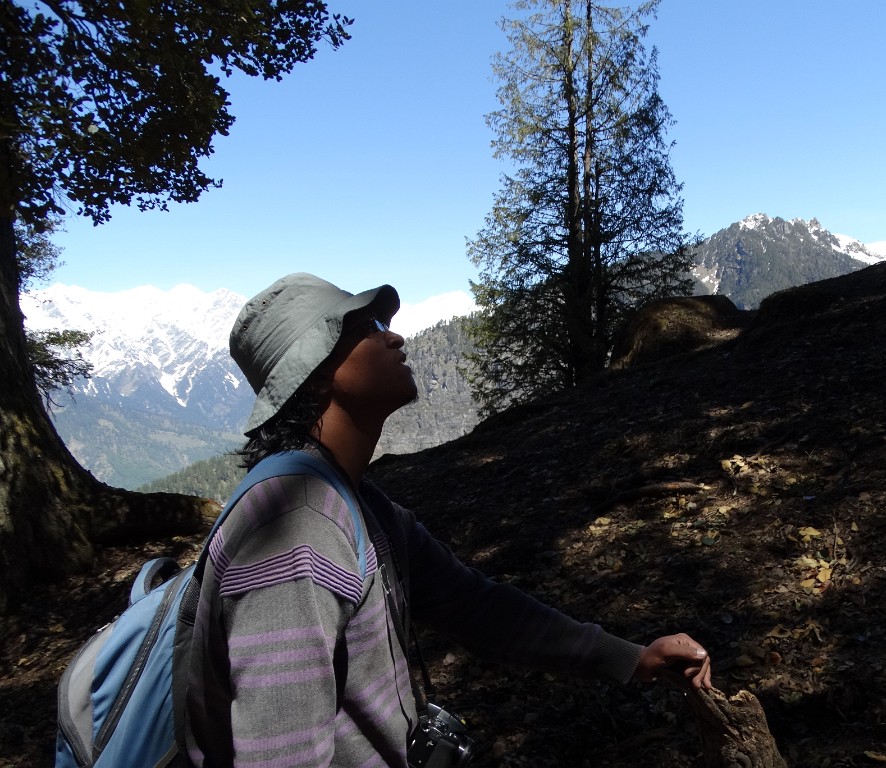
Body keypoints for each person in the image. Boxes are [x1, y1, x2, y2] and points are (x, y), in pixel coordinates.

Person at [183, 272, 712, 767]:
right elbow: (279, 752)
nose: (394, 337)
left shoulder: (361, 506)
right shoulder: (297, 529)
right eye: (365, 329)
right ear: (317, 376)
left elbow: (480, 609)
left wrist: (628, 658)